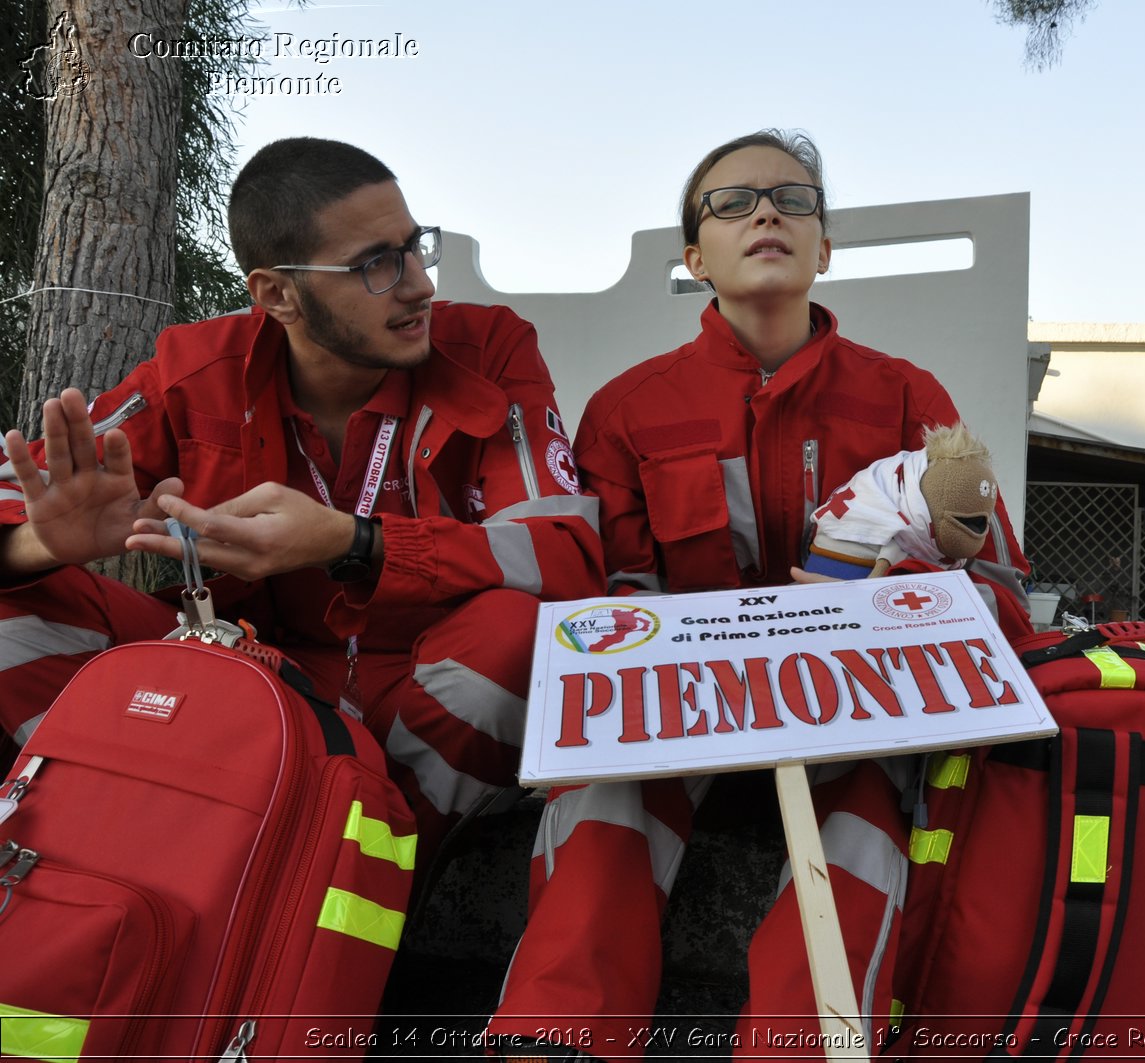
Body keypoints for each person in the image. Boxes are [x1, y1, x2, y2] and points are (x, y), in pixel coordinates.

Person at [488, 129, 1032, 1060]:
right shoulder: (627, 409)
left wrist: (876, 596)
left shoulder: (909, 397)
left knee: (871, 819)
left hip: (854, 717)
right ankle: (555, 1036)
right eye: (732, 203)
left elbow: (994, 593)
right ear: (695, 257)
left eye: (794, 198)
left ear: (827, 246)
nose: (768, 212)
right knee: (600, 798)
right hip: (681, 718)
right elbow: (607, 609)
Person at [0, 137, 606, 865]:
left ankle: (350, 888)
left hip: (417, 690)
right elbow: (18, 499)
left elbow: (566, 558)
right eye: (376, 264)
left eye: (415, 248)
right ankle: (131, 841)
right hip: (243, 692)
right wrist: (44, 545)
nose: (419, 286)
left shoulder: (492, 349)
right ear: (277, 294)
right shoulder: (194, 367)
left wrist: (353, 542)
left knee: (516, 639)